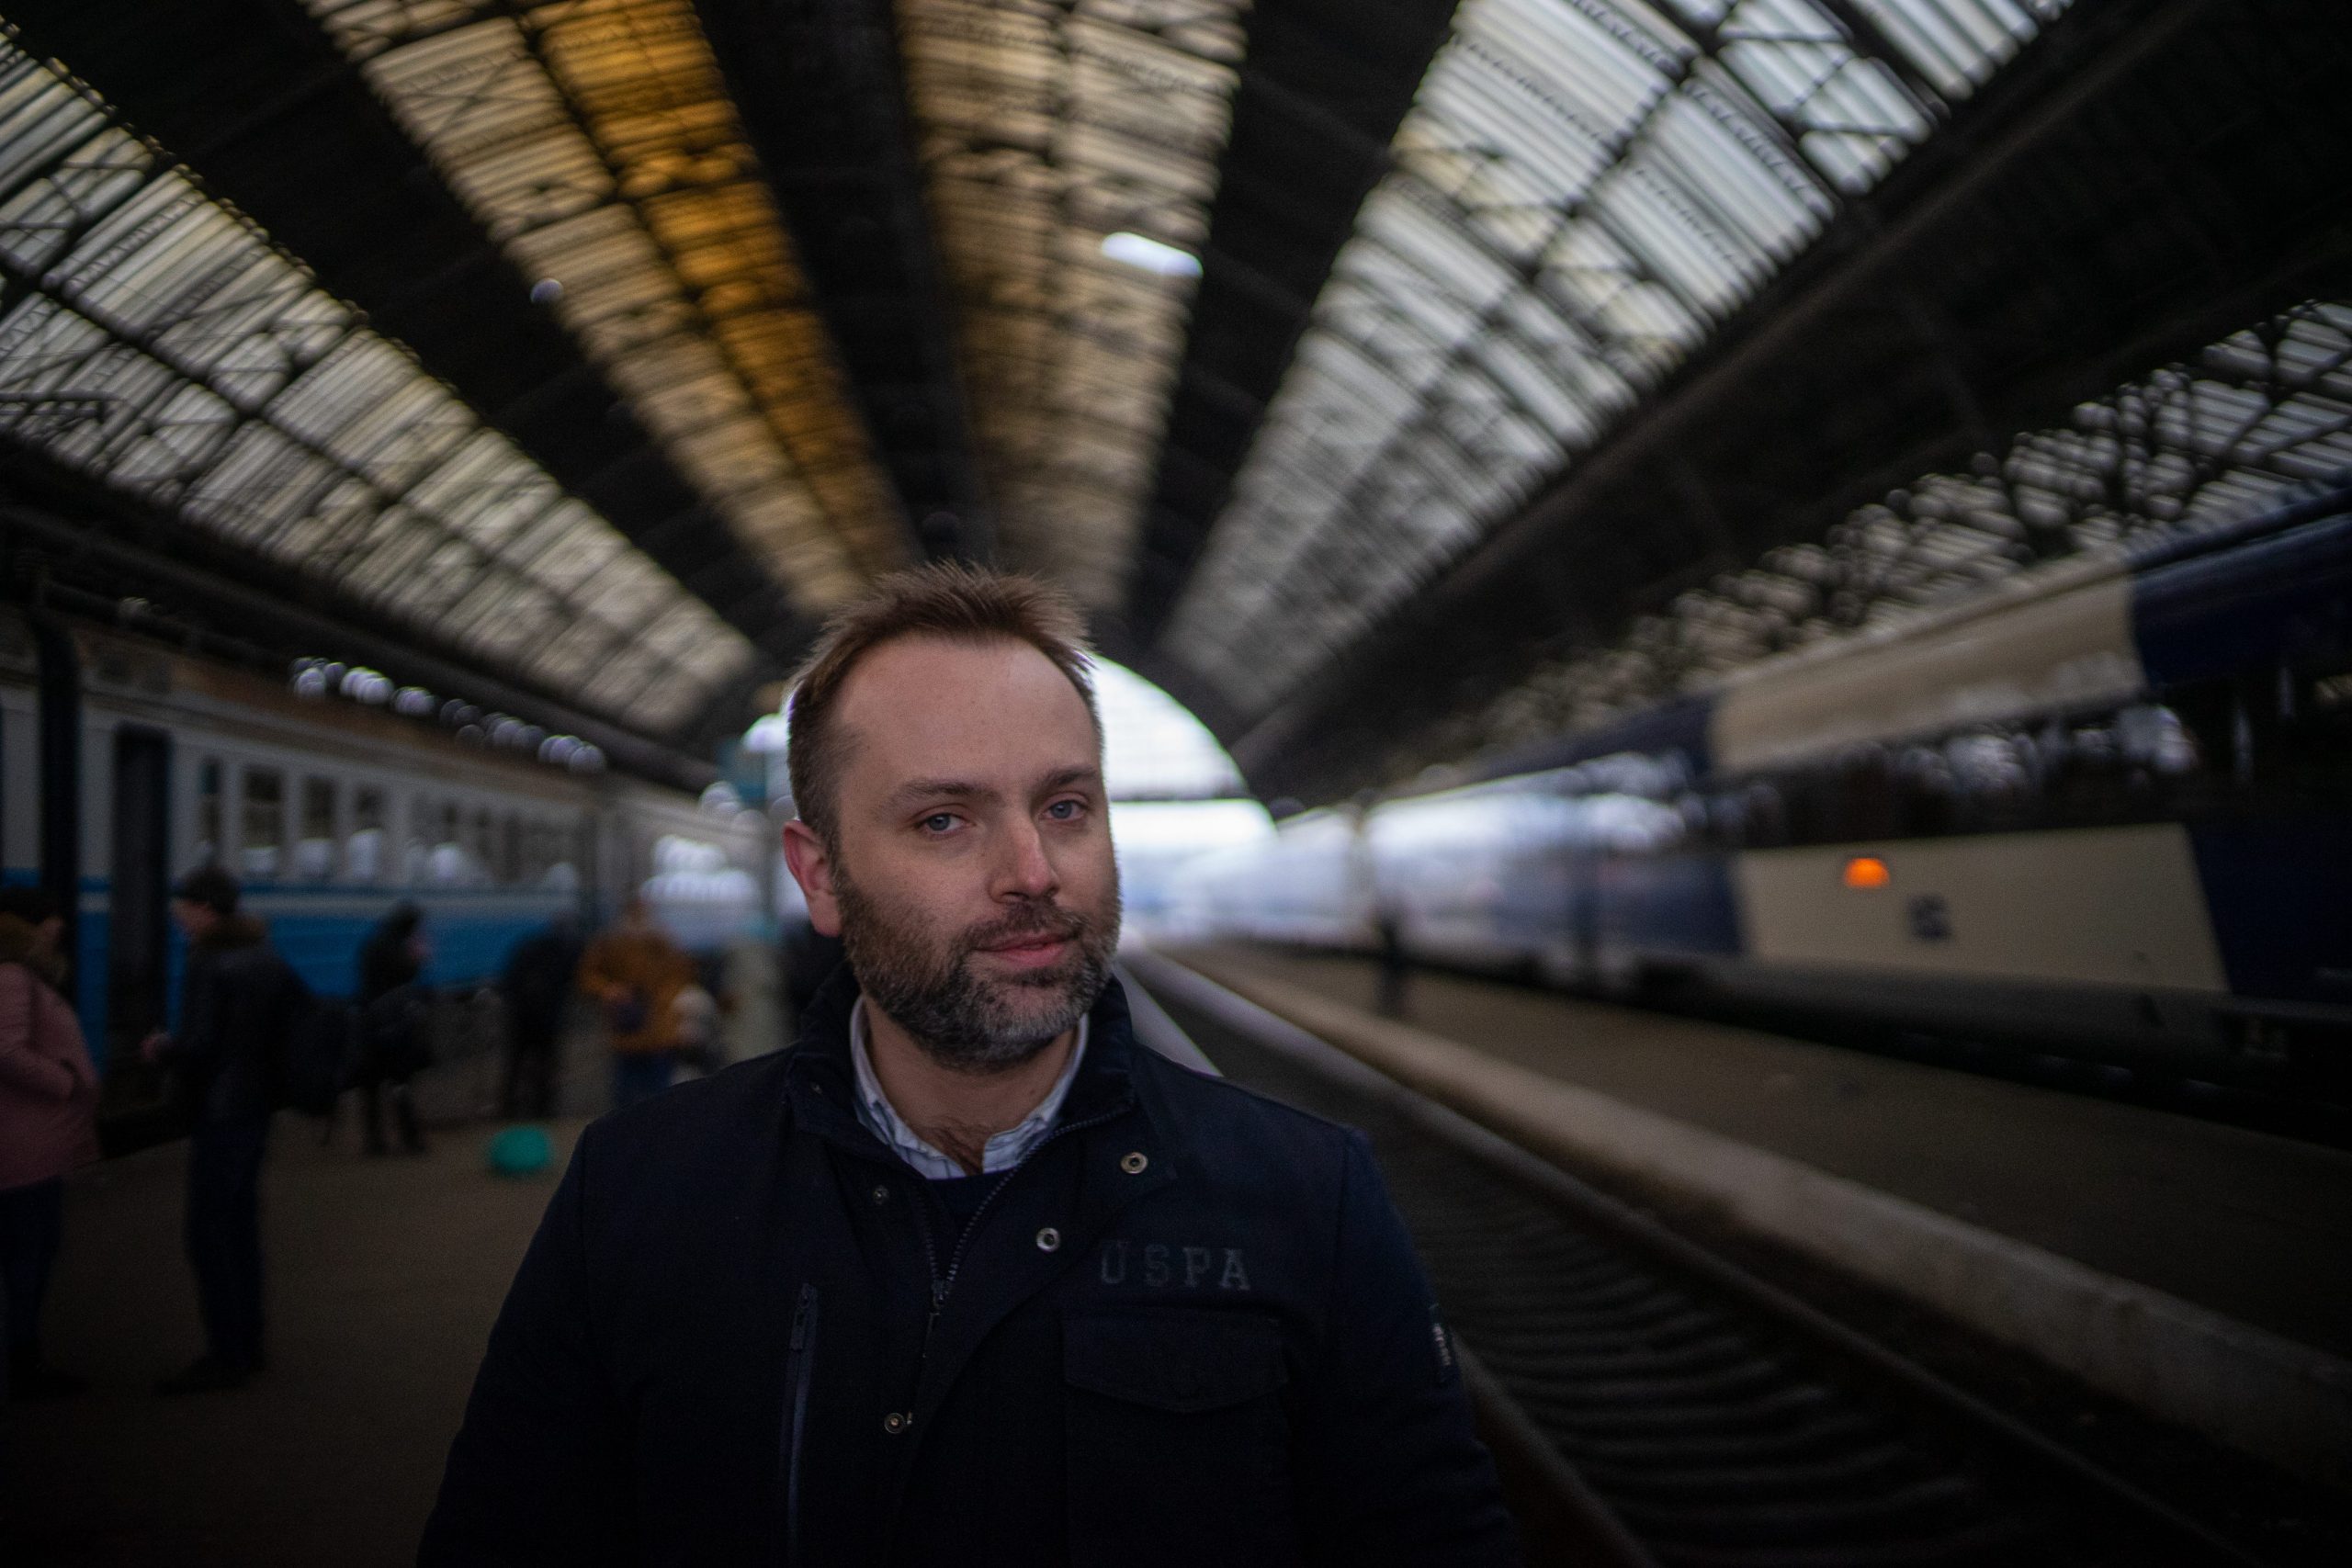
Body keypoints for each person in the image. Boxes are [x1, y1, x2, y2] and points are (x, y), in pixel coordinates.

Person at [422, 564, 1518, 1565]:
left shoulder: (1309, 1200)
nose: (1034, 871)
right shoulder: (638, 1193)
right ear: (821, 875)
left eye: (1065, 807)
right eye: (945, 819)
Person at [142, 866, 305, 1394]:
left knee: (207, 1233)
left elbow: (200, 1046)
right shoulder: (266, 956)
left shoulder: (209, 961)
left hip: (220, 1113)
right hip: (255, 1110)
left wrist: (161, 1049)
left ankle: (224, 1355)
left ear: (205, 909)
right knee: (241, 1230)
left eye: (183, 909)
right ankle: (249, 1344)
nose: (178, 919)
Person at [0, 887, 98, 1399]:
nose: (61, 928)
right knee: (28, 1255)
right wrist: (63, 1080)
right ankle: (23, 1362)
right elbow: (5, 1049)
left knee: (31, 1253)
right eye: (53, 920)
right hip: (23, 1148)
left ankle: (24, 1356)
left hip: (25, 1143)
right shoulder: (13, 975)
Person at [575, 897, 695, 1111]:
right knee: (630, 1093)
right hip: (630, 1028)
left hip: (656, 1030)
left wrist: (662, 1002)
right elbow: (588, 976)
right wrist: (610, 991)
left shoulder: (661, 944)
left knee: (655, 1094)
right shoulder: (612, 944)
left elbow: (679, 978)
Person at [356, 903, 431, 1156]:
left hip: (370, 1021)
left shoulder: (373, 943)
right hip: (396, 1025)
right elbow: (409, 975)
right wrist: (418, 957)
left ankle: (374, 1140)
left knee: (372, 1085)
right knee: (400, 1082)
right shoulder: (398, 947)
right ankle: (410, 1138)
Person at [498, 913, 581, 1121]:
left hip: (521, 1017)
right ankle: (542, 1108)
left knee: (515, 1064)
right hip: (548, 1019)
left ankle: (509, 1108)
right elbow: (571, 979)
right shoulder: (566, 951)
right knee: (545, 1063)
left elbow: (510, 979)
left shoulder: (529, 947)